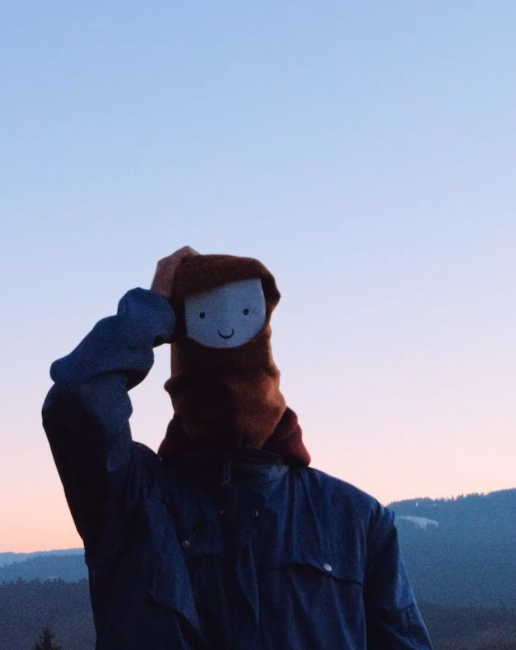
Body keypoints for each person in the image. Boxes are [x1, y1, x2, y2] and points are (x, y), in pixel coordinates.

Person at [42, 247, 433, 650]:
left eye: (244, 313)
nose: (228, 333)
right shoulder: (132, 500)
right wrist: (151, 311)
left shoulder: (356, 521)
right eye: (206, 316)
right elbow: (77, 399)